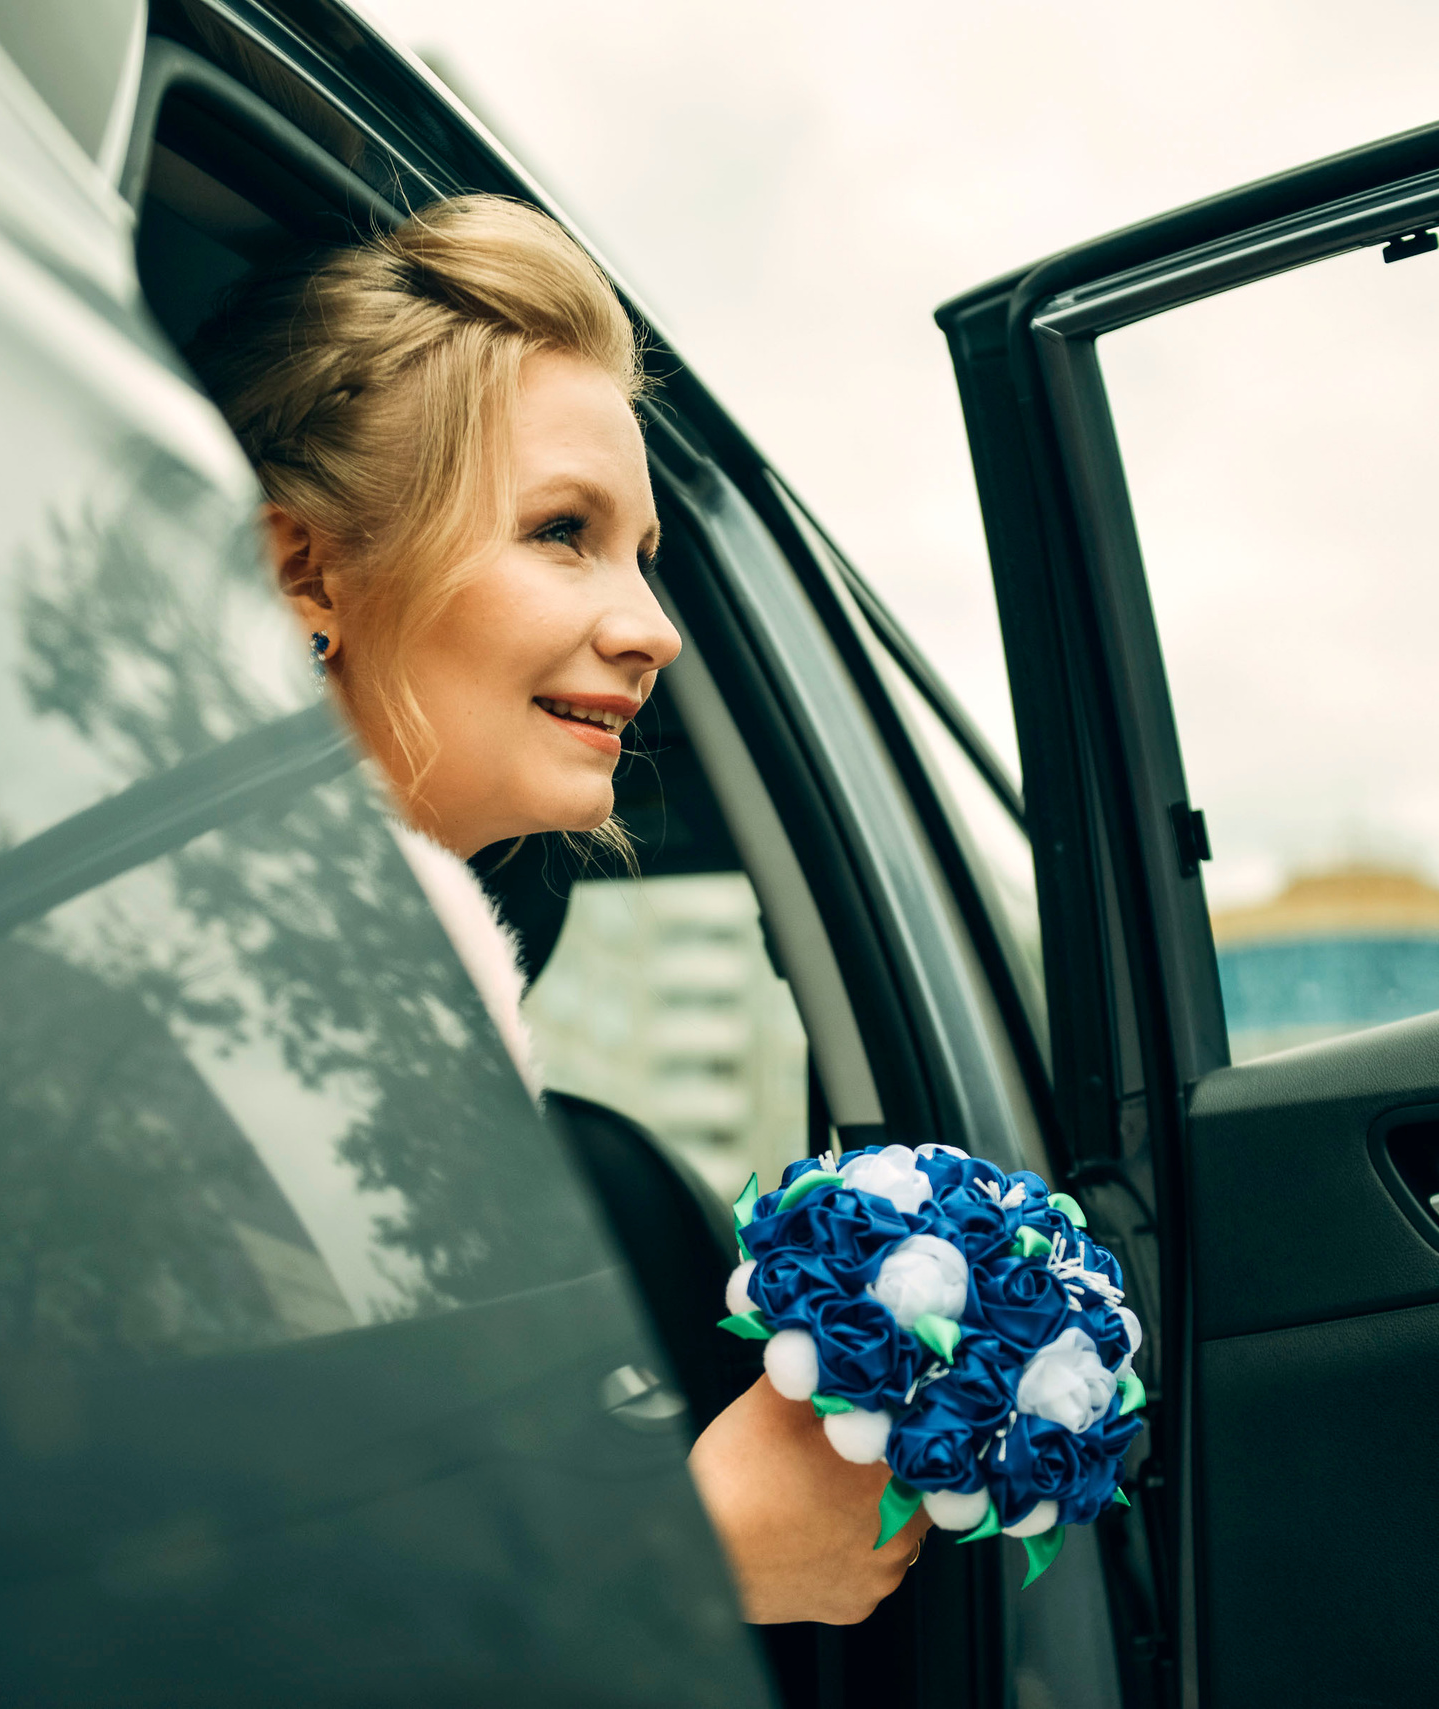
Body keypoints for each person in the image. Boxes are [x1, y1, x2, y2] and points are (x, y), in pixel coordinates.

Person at [191, 194, 931, 1626]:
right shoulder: (188, 1019)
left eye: (641, 551)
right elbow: (169, 1600)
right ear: (305, 571)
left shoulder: (366, 991)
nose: (653, 623)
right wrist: (691, 1553)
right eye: (563, 532)